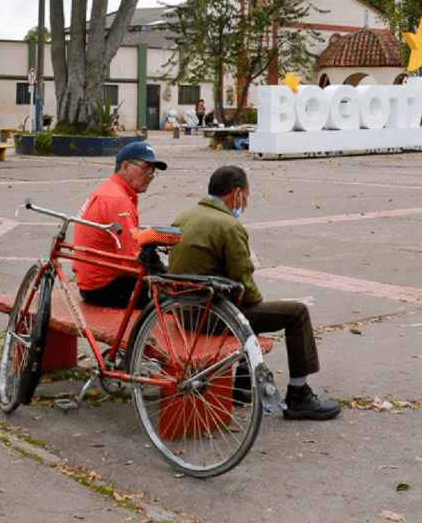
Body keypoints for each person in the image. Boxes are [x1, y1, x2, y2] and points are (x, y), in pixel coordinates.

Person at [169, 165, 340, 421]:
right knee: (296, 314)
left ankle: (241, 384)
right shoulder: (228, 225)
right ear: (237, 194)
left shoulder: (185, 217)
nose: (245, 205)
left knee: (249, 310)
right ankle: (299, 395)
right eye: (246, 198)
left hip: (183, 312)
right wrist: (258, 303)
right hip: (210, 318)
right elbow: (245, 285)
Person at [73, 142, 167, 309]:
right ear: (125, 166)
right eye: (146, 168)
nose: (151, 175)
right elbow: (131, 261)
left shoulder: (110, 190)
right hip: (105, 288)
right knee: (180, 294)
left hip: (93, 282)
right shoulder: (117, 200)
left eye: (153, 170)